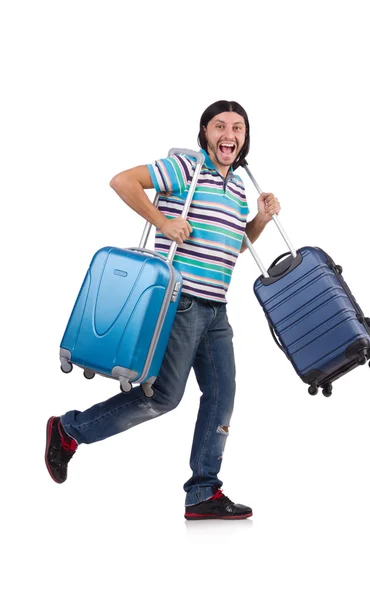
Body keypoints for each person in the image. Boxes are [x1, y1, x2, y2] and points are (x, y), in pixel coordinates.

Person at [45, 100, 280, 520]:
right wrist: (161, 221)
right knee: (163, 398)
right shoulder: (184, 169)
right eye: (220, 126)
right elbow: (122, 182)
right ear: (205, 132)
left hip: (216, 310)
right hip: (181, 303)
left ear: (245, 138)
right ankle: (68, 429)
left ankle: (203, 492)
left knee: (222, 395)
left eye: (238, 128)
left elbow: (233, 247)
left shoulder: (238, 187)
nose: (230, 134)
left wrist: (259, 220)